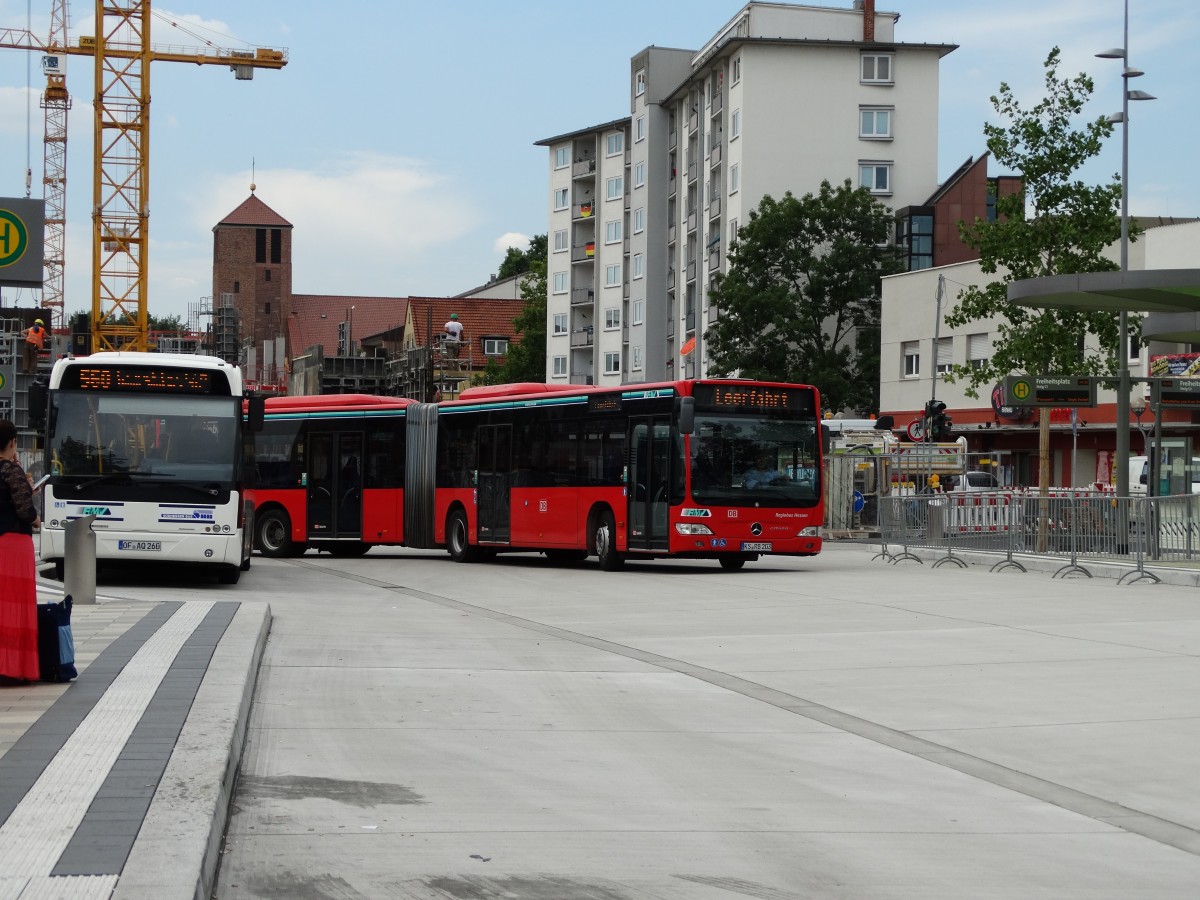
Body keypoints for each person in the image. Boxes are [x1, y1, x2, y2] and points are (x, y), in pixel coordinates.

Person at [0, 419, 41, 684]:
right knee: (14, 607)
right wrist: (35, 514)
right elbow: (27, 513)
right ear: (13, 442)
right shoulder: (11, 471)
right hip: (13, 547)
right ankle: (12, 668)